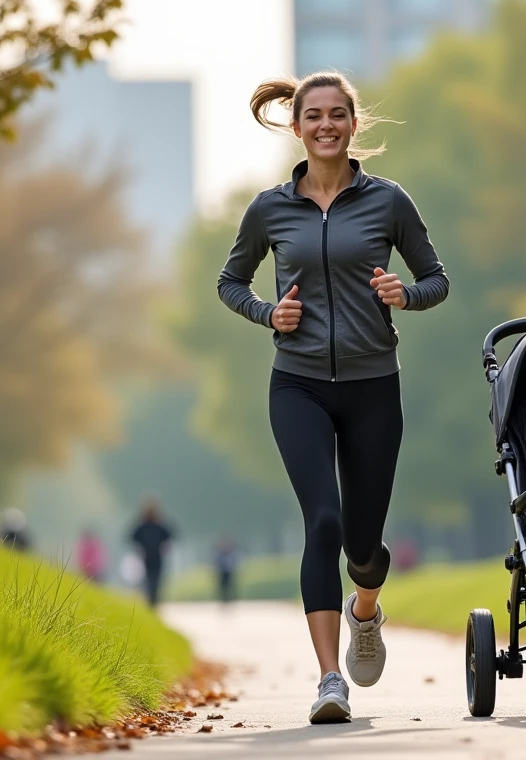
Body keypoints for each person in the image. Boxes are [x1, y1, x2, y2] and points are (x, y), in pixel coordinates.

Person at [217, 70, 449, 724]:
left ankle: (365, 611)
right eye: (313, 116)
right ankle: (328, 679)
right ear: (297, 128)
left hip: (374, 386)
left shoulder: (388, 201)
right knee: (322, 521)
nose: (326, 125)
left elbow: (436, 279)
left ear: (353, 123)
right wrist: (268, 313)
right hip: (298, 384)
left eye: (337, 114)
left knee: (363, 546)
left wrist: (407, 294)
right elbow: (231, 281)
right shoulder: (269, 209)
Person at [131, 500, 174, 607]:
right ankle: (151, 600)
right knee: (149, 581)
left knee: (155, 581)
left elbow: (170, 535)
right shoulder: (143, 525)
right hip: (147, 558)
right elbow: (133, 537)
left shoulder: (159, 525)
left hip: (157, 558)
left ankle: (153, 600)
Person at [214, 536, 240, 605]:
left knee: (231, 586)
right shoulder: (220, 554)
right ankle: (224, 600)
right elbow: (217, 563)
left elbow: (235, 562)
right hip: (222, 572)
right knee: (223, 587)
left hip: (229, 572)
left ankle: (231, 599)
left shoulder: (231, 553)